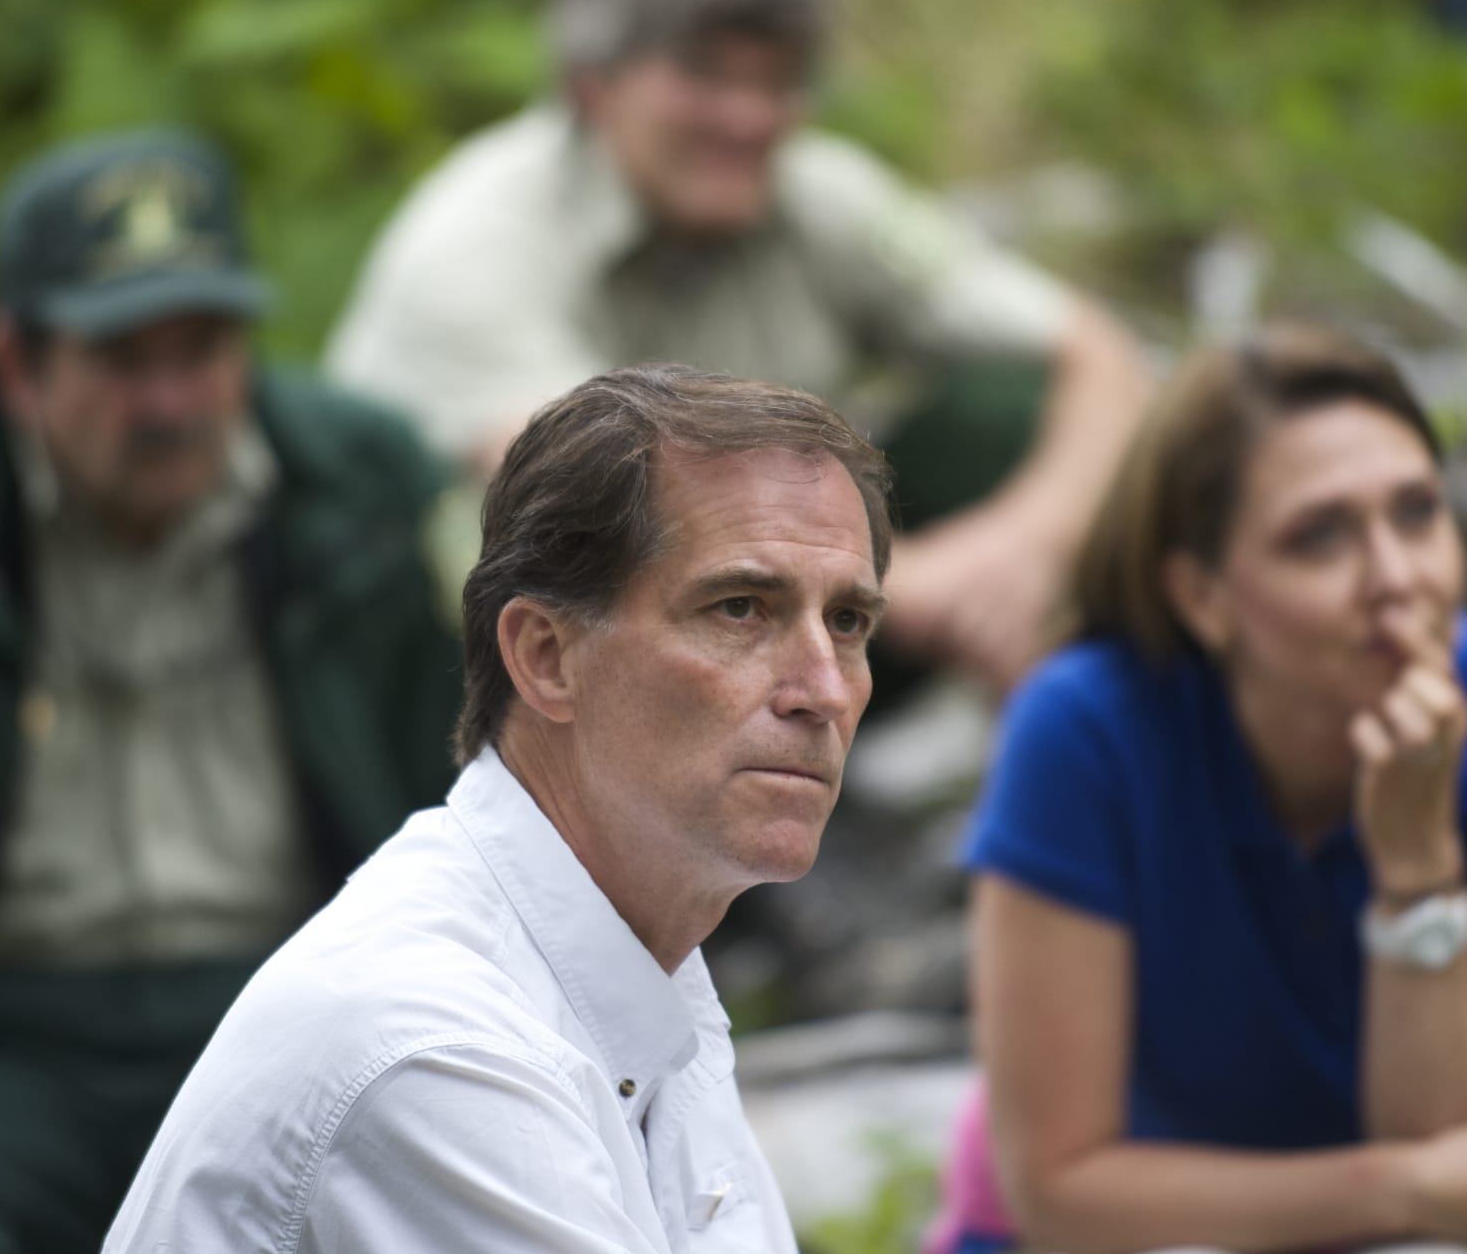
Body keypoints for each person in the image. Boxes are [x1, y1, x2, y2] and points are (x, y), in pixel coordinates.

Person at [0, 129, 463, 1252]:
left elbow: (455, 774)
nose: (170, 400)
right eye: (121, 357)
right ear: (15, 362)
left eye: (201, 348)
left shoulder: (361, 485)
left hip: (298, 998)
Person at [104, 364, 892, 1251]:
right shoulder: (440, 1046)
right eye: (741, 608)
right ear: (546, 656)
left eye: (850, 623)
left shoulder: (639, 962)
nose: (823, 689)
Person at [325, 0, 1149, 695]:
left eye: (779, 80)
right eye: (708, 78)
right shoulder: (480, 235)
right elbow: (607, 504)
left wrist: (1017, 551)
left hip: (767, 594)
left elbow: (1097, 352)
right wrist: (922, 584)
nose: (750, 116)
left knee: (1012, 406)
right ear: (592, 84)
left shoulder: (816, 191)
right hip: (464, 665)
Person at [931, 327, 1467, 1254]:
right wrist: (1400, 1188)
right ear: (1203, 597)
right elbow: (1062, 1192)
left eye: (1418, 512)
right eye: (1320, 539)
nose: (1398, 580)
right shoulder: (1086, 730)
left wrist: (1417, 871)